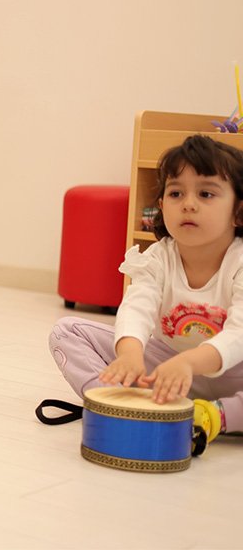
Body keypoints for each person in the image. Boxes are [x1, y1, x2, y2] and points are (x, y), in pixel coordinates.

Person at [49, 134, 243, 455]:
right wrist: (130, 354)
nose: (188, 203)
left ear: (238, 212)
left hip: (234, 373)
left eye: (206, 193)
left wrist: (189, 362)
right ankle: (120, 406)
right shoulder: (157, 258)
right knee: (66, 331)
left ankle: (214, 416)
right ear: (162, 206)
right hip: (168, 366)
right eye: (176, 193)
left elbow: (239, 334)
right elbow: (136, 307)